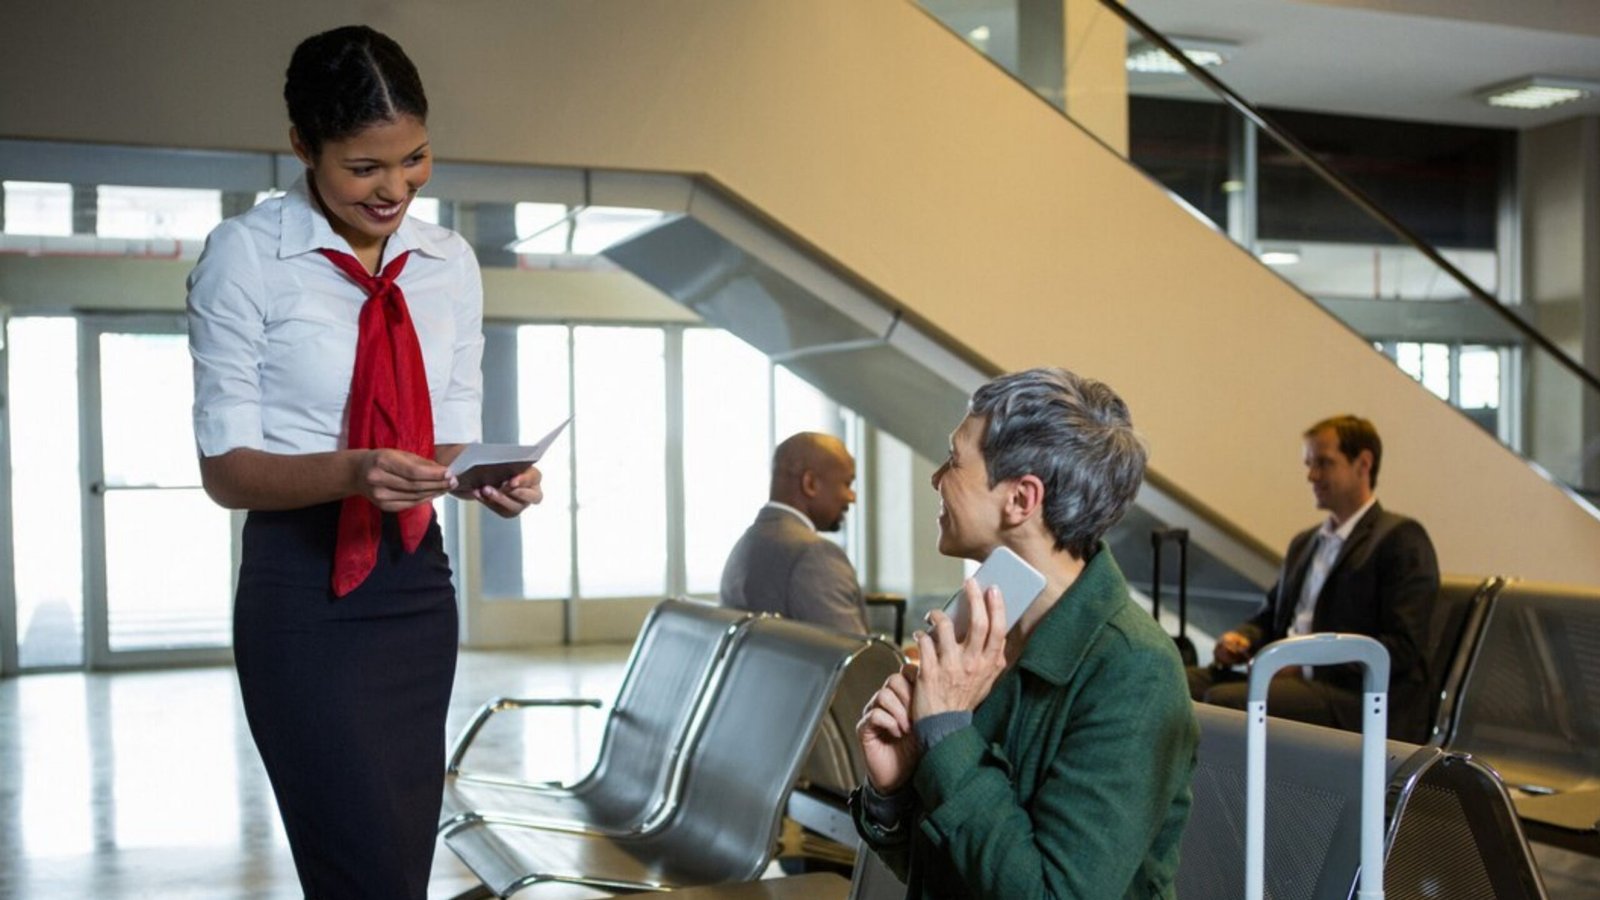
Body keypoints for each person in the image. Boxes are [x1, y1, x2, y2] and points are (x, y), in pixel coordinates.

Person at [186, 26, 542, 899]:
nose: (395, 189)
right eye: (364, 168)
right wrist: (352, 473)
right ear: (303, 146)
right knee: (359, 869)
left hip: (417, 589)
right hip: (302, 597)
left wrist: (488, 474)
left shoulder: (450, 264)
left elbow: (444, 436)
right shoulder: (245, 259)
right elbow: (226, 469)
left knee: (399, 865)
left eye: (415, 159)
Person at [852, 368, 1198, 899]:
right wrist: (892, 793)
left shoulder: (1135, 670)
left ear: (1021, 499)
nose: (937, 477)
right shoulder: (987, 626)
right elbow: (954, 873)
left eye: (954, 459)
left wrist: (946, 734)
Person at [1187, 415, 1440, 742]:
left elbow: (1401, 647)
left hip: (1350, 693)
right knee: (1176, 684)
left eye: (1323, 463)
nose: (1311, 475)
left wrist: (1305, 667)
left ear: (1363, 464)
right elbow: (1268, 617)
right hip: (1292, 679)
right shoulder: (1305, 543)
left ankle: (1227, 793)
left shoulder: (1400, 539)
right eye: (1309, 464)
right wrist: (1243, 638)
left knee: (1227, 702)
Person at [720, 431, 868, 633]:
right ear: (810, 484)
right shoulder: (815, 556)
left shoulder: (746, 544)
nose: (852, 497)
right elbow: (860, 660)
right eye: (847, 484)